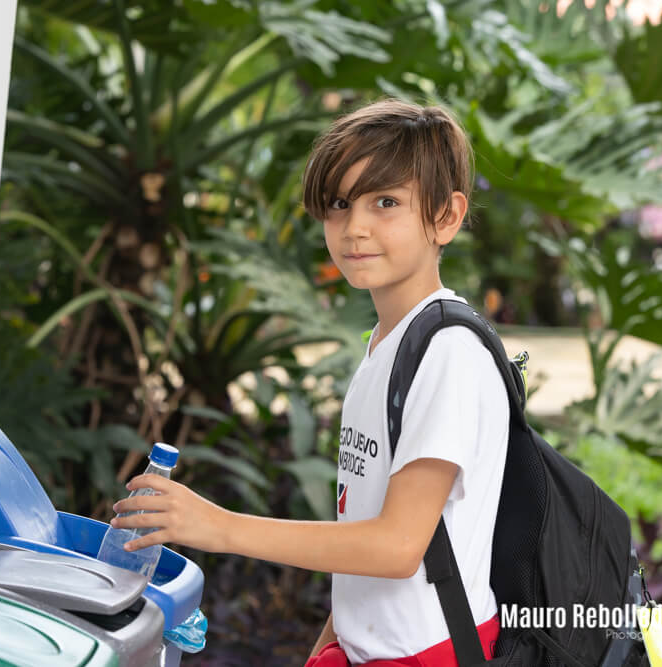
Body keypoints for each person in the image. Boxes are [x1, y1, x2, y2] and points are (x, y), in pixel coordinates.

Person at [109, 98, 507, 666]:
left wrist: (219, 527)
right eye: (340, 204)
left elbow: (397, 546)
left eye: (386, 202)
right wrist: (331, 640)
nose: (356, 227)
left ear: (446, 216)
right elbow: (364, 531)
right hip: (367, 649)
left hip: (427, 655)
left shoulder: (449, 353)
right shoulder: (388, 345)